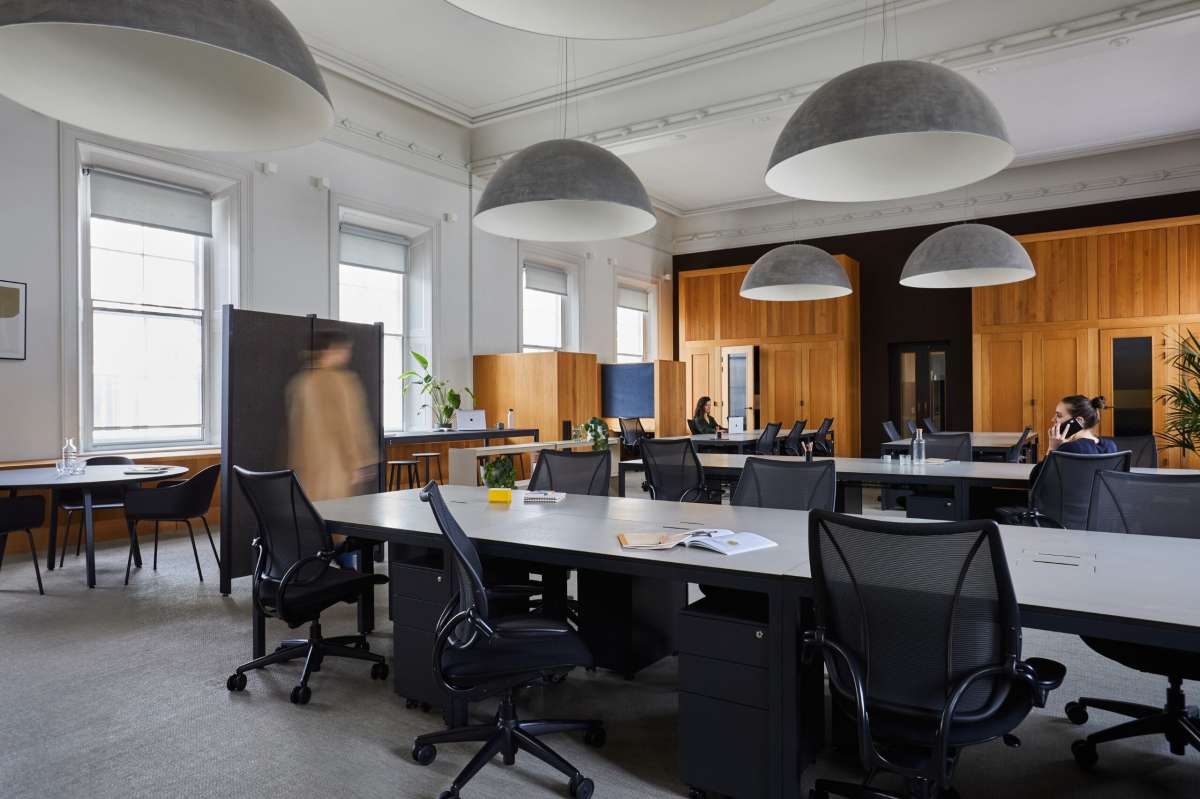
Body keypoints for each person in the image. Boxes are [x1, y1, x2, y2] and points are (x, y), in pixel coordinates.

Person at [286, 330, 376, 501]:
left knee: (313, 511)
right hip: (337, 466)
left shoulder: (301, 382)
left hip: (307, 468)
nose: (347, 354)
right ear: (330, 350)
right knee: (338, 512)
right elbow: (349, 425)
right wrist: (358, 462)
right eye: (344, 349)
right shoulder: (342, 382)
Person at [1045, 395, 1117, 456]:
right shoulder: (1111, 446)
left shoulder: (1069, 448)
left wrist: (1052, 448)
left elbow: (1043, 469)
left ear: (1079, 421)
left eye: (1059, 415)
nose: (1053, 419)